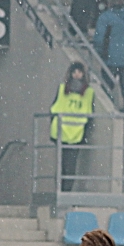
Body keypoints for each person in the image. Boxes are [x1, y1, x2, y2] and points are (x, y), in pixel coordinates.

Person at [50, 61, 94, 192]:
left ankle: (66, 192)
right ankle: (62, 191)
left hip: (76, 133)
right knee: (63, 167)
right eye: (74, 72)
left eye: (79, 72)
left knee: (69, 168)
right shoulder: (63, 88)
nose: (76, 74)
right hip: (62, 132)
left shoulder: (89, 92)